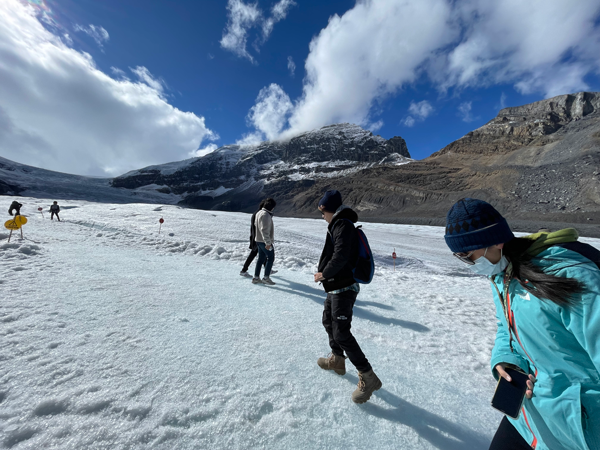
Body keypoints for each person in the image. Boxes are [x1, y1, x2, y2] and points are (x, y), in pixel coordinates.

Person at [444, 198, 600, 450]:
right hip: (530, 416)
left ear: (496, 240)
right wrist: (505, 358)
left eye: (466, 255)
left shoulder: (571, 277)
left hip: (577, 427)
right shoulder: (501, 275)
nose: (468, 263)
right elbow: (506, 326)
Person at [314, 189, 381, 404]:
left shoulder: (342, 225)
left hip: (344, 287)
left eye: (322, 211)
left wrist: (325, 273)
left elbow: (341, 255)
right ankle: (338, 360)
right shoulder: (338, 224)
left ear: (329, 209)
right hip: (335, 286)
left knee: (342, 332)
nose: (322, 216)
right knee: (328, 322)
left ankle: (368, 377)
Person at [240, 200, 276, 277]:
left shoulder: (257, 213)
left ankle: (266, 270)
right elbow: (260, 228)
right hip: (258, 238)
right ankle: (244, 270)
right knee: (256, 254)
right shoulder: (261, 214)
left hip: (256, 238)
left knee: (260, 255)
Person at [252, 198, 276, 285]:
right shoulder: (265, 215)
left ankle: (256, 277)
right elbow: (264, 230)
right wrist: (268, 243)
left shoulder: (259, 213)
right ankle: (266, 277)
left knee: (261, 259)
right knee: (270, 257)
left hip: (258, 240)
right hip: (264, 241)